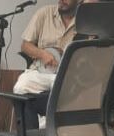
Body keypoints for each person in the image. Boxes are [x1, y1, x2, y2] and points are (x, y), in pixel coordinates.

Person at [14, 0, 81, 128]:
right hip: (41, 72)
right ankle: (31, 135)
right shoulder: (44, 13)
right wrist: (42, 54)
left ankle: (45, 127)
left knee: (70, 97)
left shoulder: (85, 20)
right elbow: (25, 46)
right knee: (21, 86)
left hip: (68, 76)